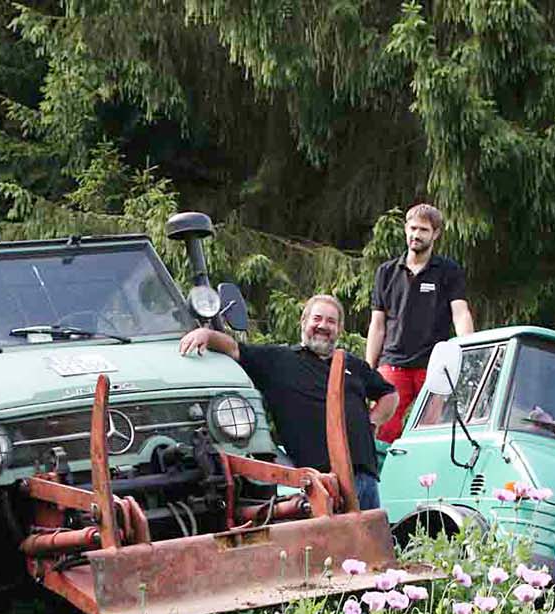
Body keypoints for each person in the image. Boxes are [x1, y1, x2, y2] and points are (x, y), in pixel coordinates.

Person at [178, 294, 397, 510]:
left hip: (366, 480)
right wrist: (207, 334)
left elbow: (390, 395)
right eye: (317, 318)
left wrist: (372, 423)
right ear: (304, 321)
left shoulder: (354, 365)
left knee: (374, 534)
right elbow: (235, 349)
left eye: (331, 321)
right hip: (320, 485)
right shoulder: (279, 361)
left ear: (339, 329)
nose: (323, 326)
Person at [368, 203, 474, 443]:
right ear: (406, 229)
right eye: (413, 228)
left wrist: (467, 352)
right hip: (393, 363)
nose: (416, 235)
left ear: (435, 234)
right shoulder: (386, 272)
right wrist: (368, 368)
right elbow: (377, 325)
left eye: (423, 230)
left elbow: (460, 314)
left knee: (428, 436)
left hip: (434, 365)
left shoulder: (449, 271)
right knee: (382, 431)